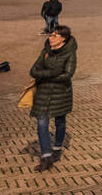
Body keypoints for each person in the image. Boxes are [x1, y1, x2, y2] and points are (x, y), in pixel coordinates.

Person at [28, 25, 77, 171]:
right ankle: (46, 156)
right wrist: (52, 73)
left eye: (54, 35)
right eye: (50, 35)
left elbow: (68, 74)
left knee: (59, 121)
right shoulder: (46, 51)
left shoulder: (69, 53)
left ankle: (57, 148)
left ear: (63, 38)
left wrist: (45, 75)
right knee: (41, 124)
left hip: (61, 93)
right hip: (43, 92)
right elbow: (33, 70)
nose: (50, 37)